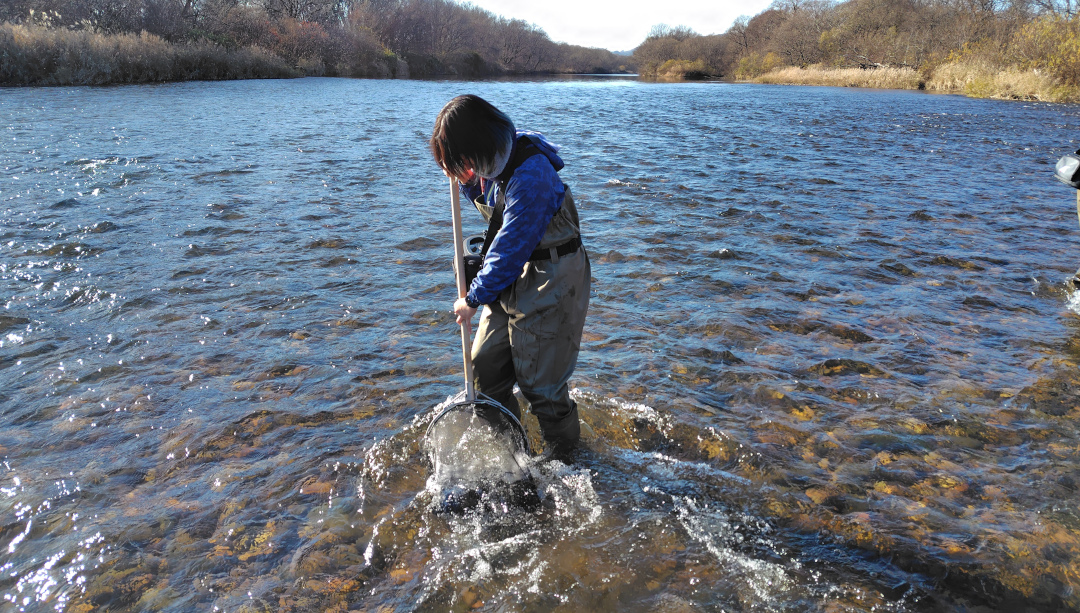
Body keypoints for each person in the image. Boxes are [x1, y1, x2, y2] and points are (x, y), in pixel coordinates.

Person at [430, 94, 590, 457]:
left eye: (462, 159)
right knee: (484, 366)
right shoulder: (493, 162)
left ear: (479, 144)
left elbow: (510, 246)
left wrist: (472, 300)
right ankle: (513, 452)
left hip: (552, 276)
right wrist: (467, 181)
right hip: (514, 277)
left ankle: (566, 461)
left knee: (542, 386)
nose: (463, 167)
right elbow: (496, 212)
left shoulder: (531, 173)